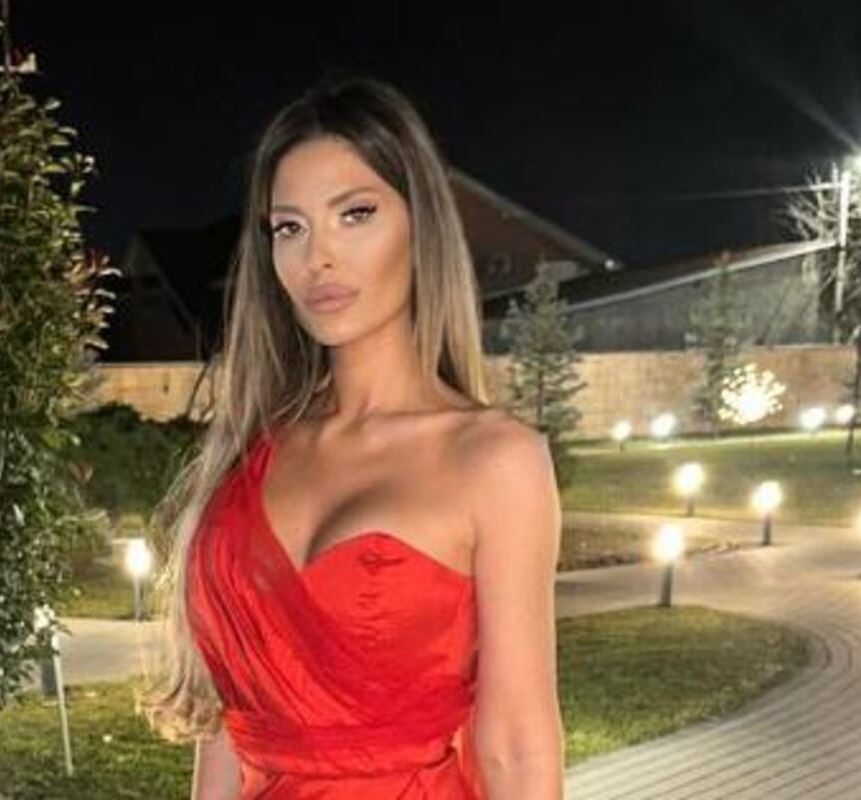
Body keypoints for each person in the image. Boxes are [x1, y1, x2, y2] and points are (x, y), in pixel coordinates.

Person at [136, 73, 564, 799]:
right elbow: (226, 729)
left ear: (420, 227)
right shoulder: (248, 451)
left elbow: (517, 748)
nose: (318, 259)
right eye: (290, 228)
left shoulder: (494, 461)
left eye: (355, 214)